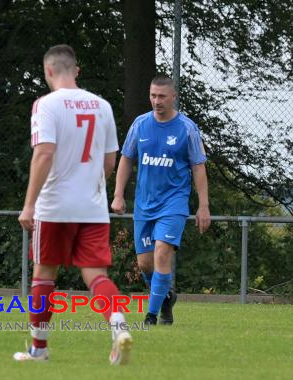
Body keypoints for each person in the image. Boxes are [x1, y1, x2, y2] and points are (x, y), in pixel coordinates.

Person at [14, 44, 133, 365]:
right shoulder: (102, 106)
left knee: (44, 275)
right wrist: (92, 188)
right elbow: (110, 161)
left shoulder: (45, 105)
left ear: (49, 71)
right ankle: (118, 326)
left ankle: (38, 349)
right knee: (96, 275)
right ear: (76, 70)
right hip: (92, 207)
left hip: (54, 206)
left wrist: (29, 205)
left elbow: (44, 153)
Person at [111, 75, 211, 325]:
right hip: (145, 204)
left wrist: (203, 206)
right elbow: (126, 158)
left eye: (162, 96)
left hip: (173, 203)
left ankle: (152, 316)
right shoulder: (140, 124)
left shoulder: (187, 128)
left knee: (162, 254)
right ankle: (166, 296)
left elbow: (198, 167)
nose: (157, 101)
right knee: (145, 265)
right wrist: (118, 195)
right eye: (153, 95)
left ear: (173, 97)